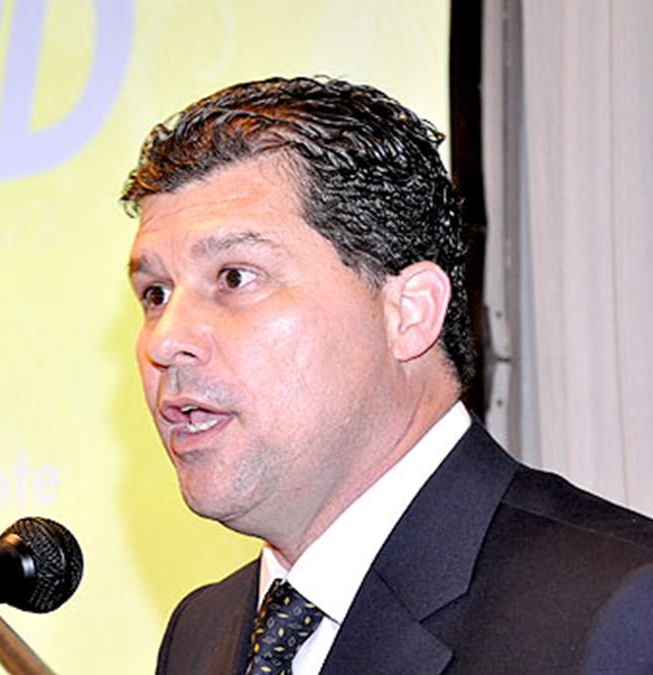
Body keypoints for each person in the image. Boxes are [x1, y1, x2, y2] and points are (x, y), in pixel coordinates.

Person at [120, 76, 653, 674]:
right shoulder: (201, 633)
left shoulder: (621, 609)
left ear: (409, 313)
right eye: (156, 293)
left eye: (235, 278)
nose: (164, 341)